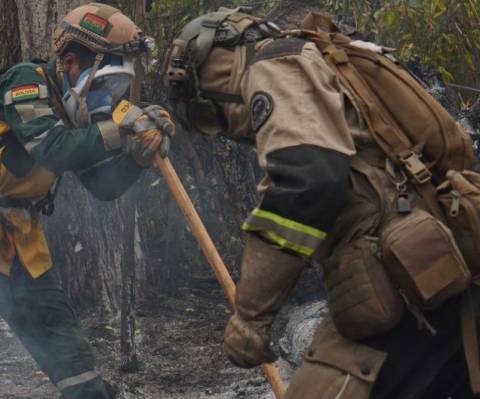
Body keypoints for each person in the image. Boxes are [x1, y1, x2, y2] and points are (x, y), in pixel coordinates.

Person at [164, 8, 480, 399]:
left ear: (218, 67)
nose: (227, 130)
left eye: (213, 118)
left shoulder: (274, 64)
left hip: (404, 275)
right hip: (447, 257)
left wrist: (250, 316)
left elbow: (305, 183)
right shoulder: (326, 57)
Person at [0, 3, 174, 398]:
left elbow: (102, 186)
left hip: (23, 249)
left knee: (78, 371)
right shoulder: (24, 80)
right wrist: (121, 128)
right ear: (70, 61)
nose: (105, 98)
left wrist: (138, 159)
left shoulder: (73, 111)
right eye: (102, 84)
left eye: (112, 89)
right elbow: (54, 150)